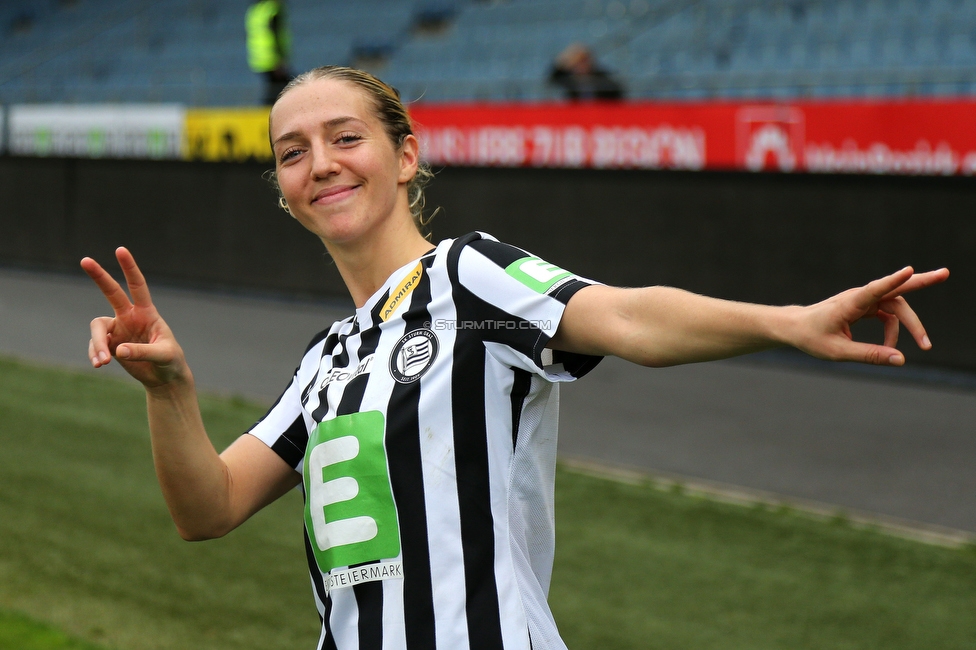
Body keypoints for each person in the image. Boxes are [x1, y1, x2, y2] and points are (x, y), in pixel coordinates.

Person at [81, 66, 948, 650]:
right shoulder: (328, 359)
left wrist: (789, 321)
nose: (321, 165)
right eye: (292, 153)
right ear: (283, 191)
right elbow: (209, 507)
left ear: (405, 154)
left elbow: (631, 319)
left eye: (346, 138)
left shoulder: (469, 274)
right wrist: (169, 389)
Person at [246, 0, 293, 105]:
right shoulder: (273, 9)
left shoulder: (256, 9)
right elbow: (274, 33)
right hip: (272, 57)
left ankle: (265, 113)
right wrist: (279, 59)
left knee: (275, 88)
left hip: (258, 57)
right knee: (286, 88)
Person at [549, 43, 625, 101]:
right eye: (578, 62)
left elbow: (617, 92)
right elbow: (552, 78)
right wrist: (563, 60)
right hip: (576, 117)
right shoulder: (569, 80)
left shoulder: (602, 79)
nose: (582, 66)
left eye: (584, 61)